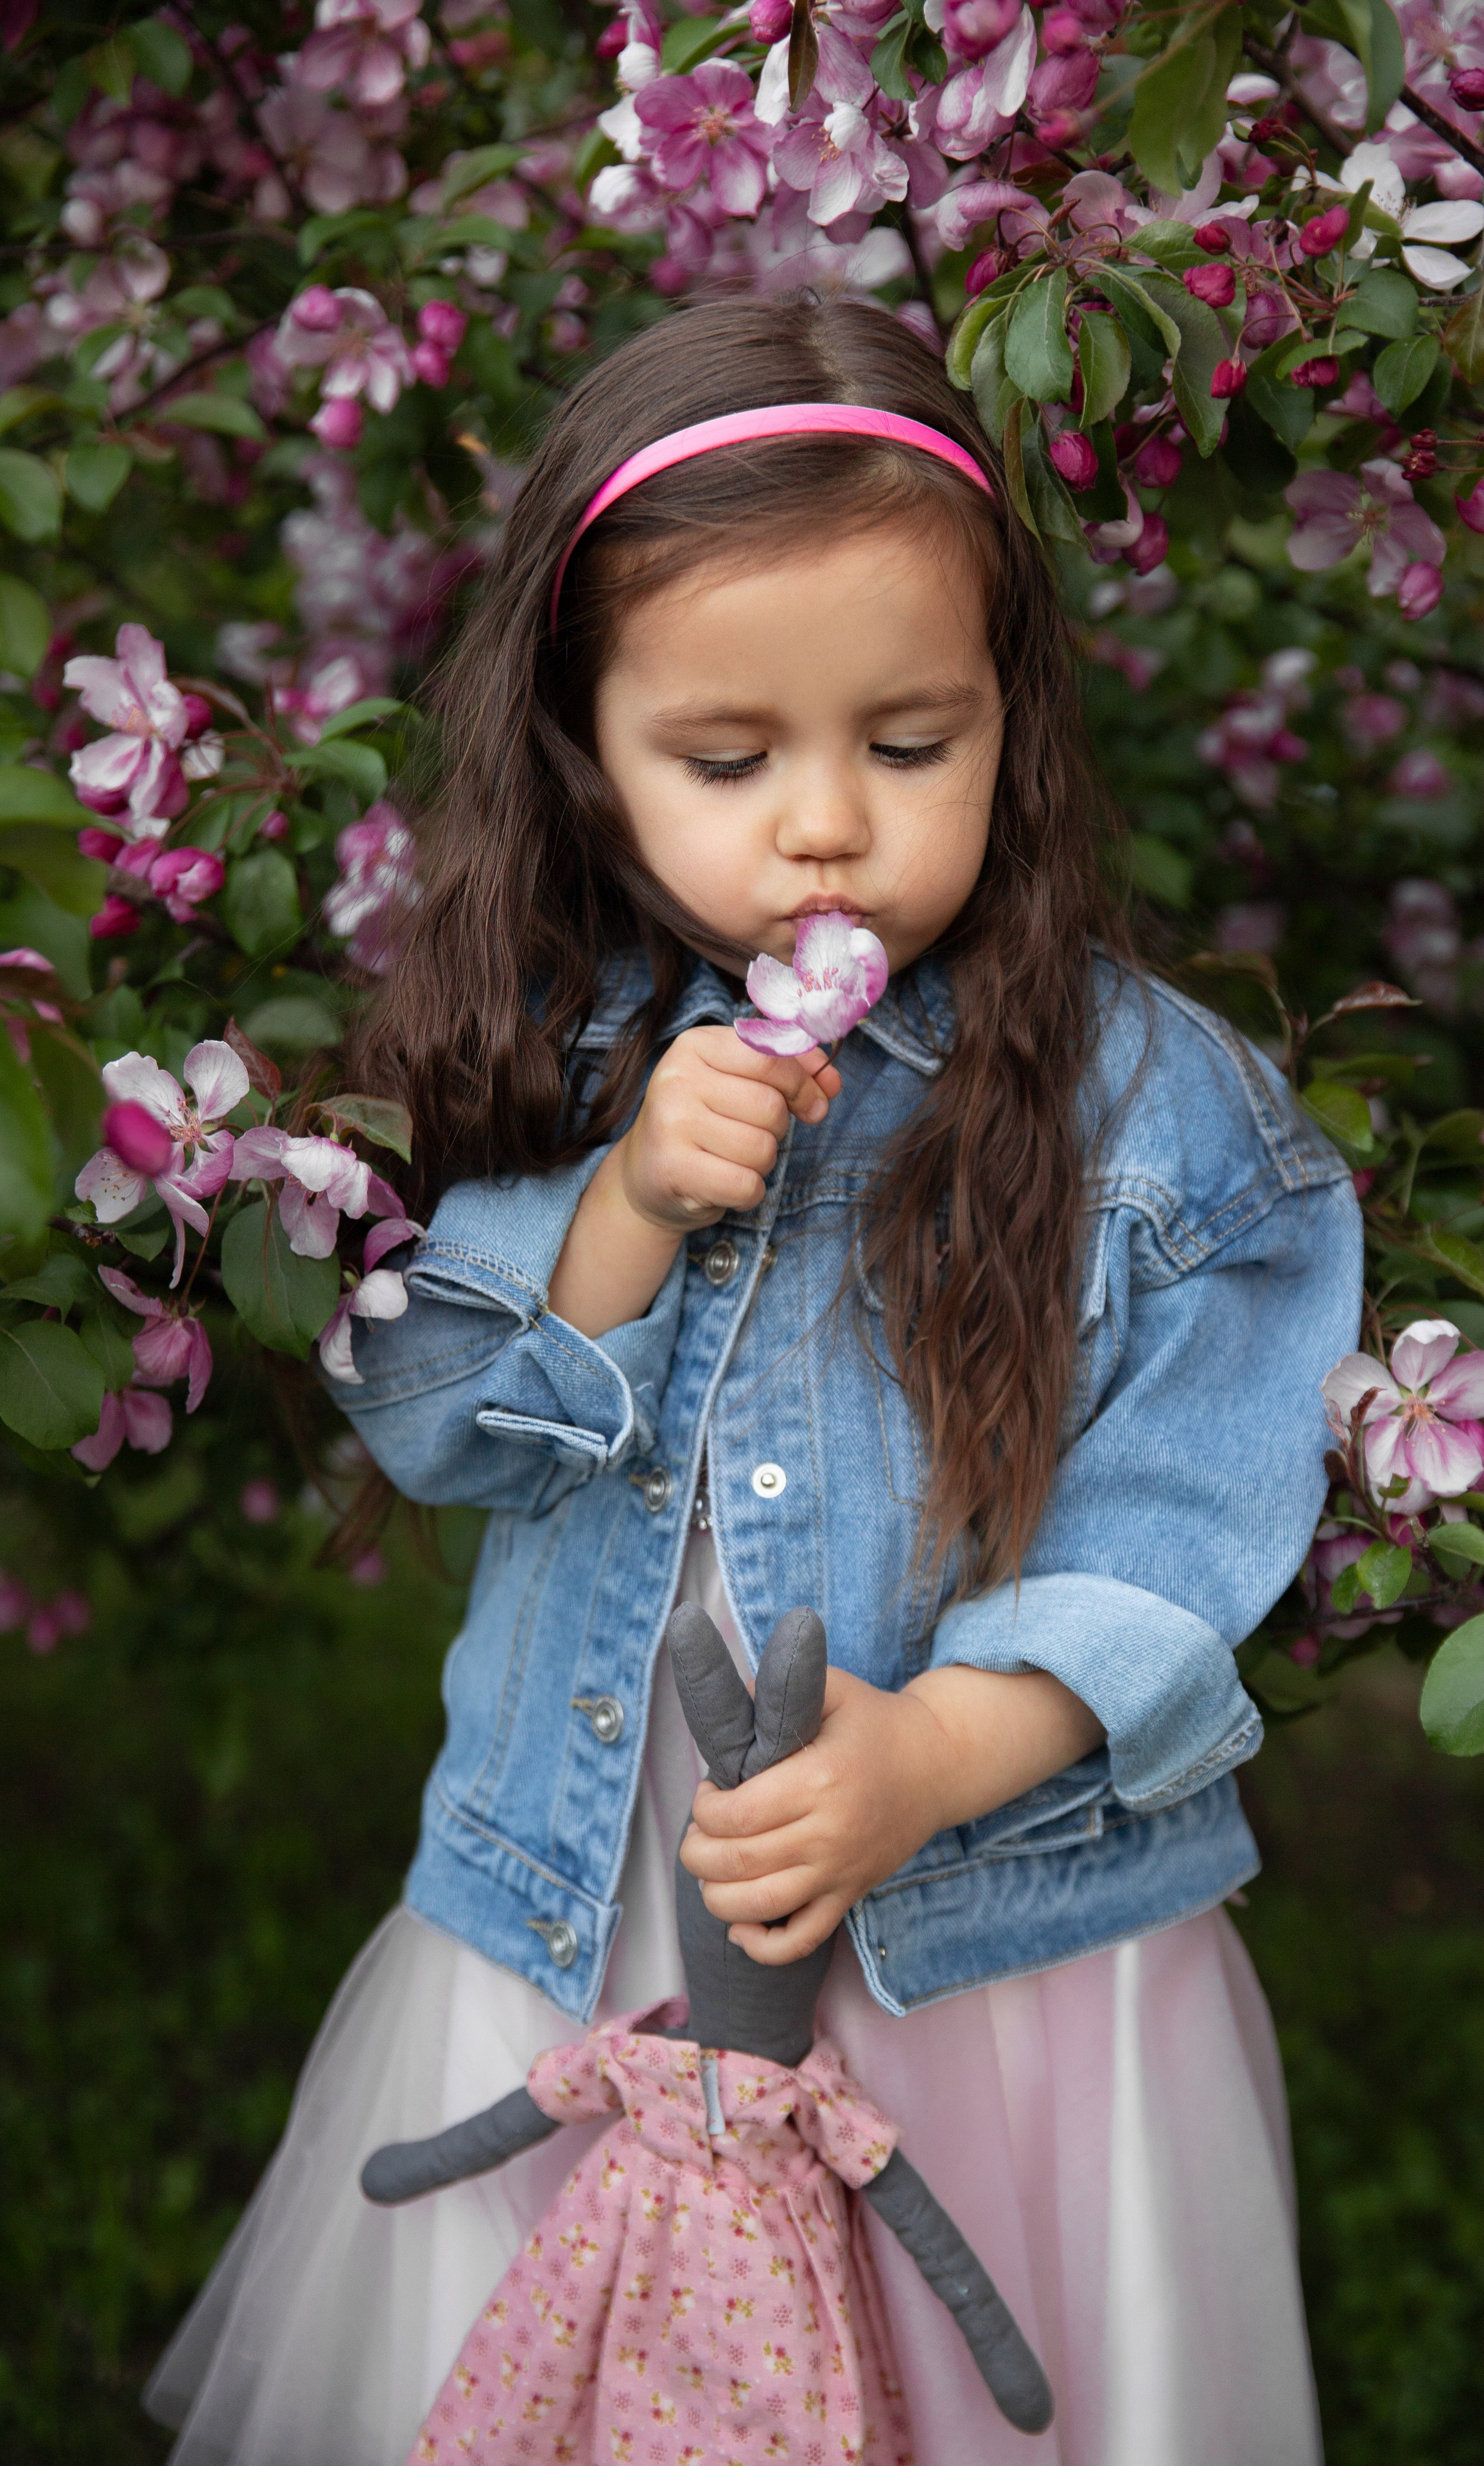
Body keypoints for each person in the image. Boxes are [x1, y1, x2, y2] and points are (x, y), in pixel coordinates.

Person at [147, 293, 1361, 2466]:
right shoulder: (548, 1054)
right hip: (582, 1900)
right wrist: (620, 1210)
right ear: (588, 757)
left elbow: (1189, 1509)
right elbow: (436, 1421)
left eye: (912, 747)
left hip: (995, 1951)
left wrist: (946, 1752)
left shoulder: (1156, 1109)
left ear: (1015, 724)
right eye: (730, 761)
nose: (826, 831)